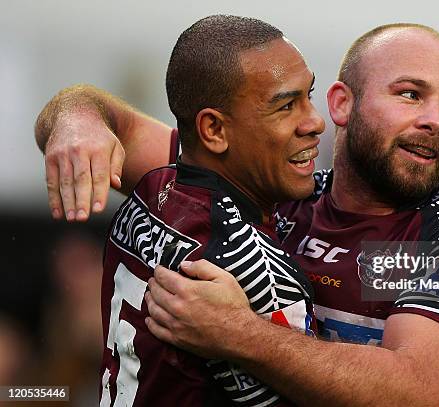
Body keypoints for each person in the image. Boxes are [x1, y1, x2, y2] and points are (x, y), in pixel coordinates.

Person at [36, 19, 439, 406]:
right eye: (410, 94)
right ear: (341, 104)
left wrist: (239, 335)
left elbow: (416, 391)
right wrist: (76, 117)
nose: (434, 120)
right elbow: (106, 131)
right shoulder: (277, 186)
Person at [39, 15, 326, 406]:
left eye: (309, 95)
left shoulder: (154, 184)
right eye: (287, 106)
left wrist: (76, 113)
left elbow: (96, 114)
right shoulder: (255, 270)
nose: (315, 122)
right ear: (214, 131)